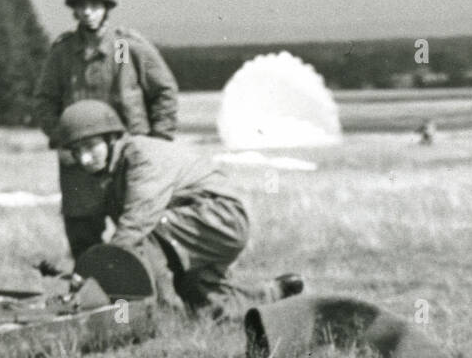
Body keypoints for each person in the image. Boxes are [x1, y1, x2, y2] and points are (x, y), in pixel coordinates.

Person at [54, 100, 301, 318]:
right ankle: (274, 293)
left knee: (144, 236)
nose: (84, 159)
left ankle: (160, 316)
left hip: (221, 218)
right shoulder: (107, 171)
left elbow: (136, 225)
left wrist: (98, 275)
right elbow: (87, 225)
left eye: (90, 147)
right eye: (77, 151)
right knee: (204, 304)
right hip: (191, 225)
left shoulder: (141, 156)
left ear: (111, 138)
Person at [33, 0, 179, 259]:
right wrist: (65, 140)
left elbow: (163, 92)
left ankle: (148, 299)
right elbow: (44, 102)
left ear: (107, 8)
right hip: (80, 165)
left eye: (95, 5)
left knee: (142, 236)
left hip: (127, 160)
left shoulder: (123, 48)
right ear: (73, 9)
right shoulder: (62, 55)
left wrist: (158, 145)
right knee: (83, 243)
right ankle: (92, 299)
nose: (88, 12)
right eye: (82, 6)